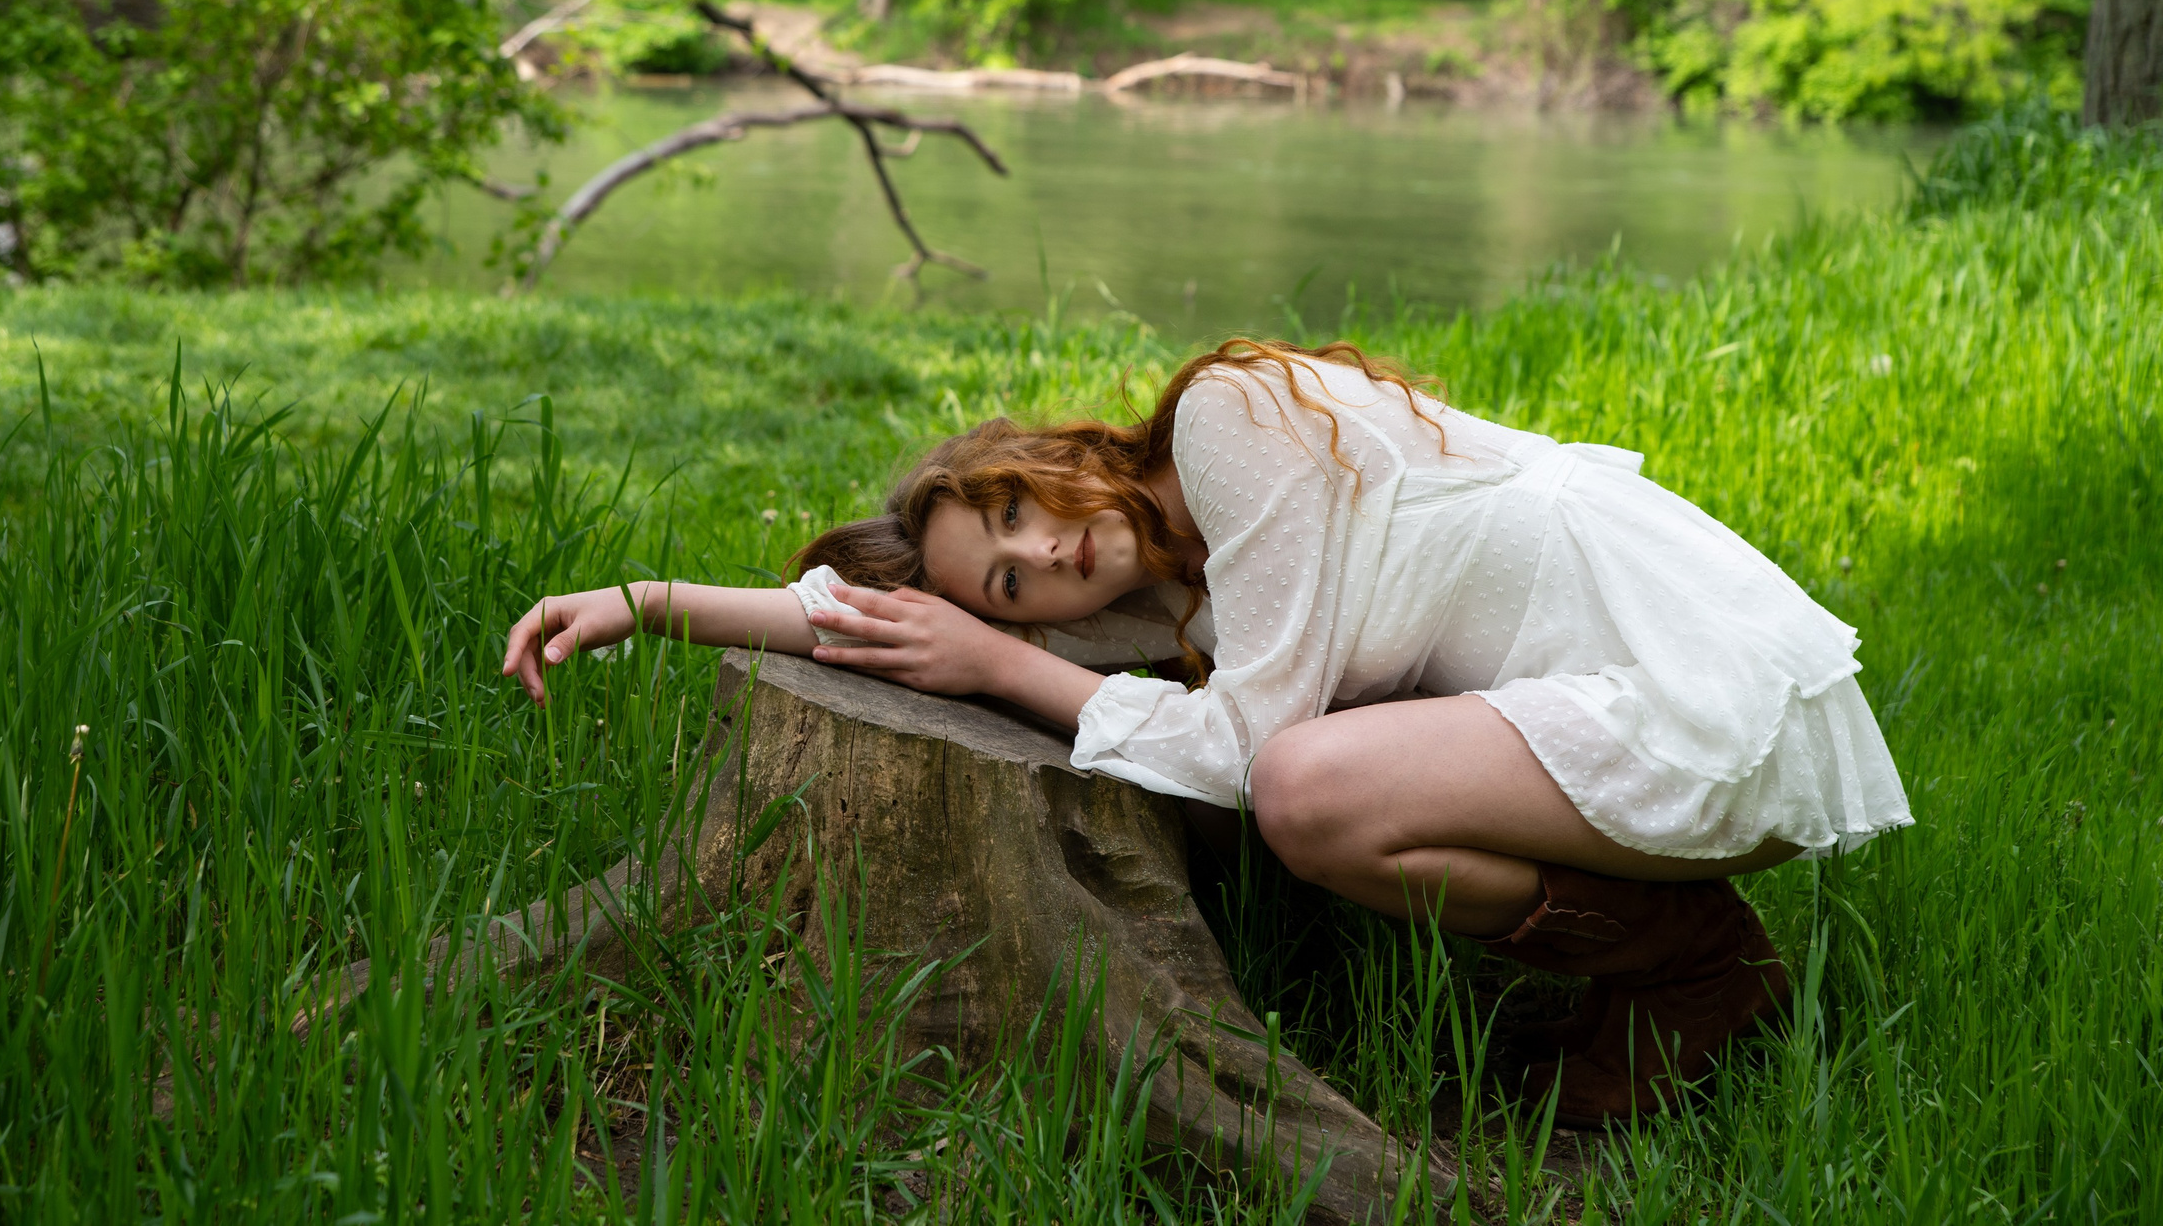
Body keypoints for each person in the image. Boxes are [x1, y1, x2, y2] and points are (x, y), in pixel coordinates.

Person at [501, 338, 1913, 1125]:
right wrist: (647, 600)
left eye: (1016, 508)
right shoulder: (1168, 589)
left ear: (1047, 452)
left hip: (1689, 685)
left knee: (1302, 788)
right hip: (1612, 735)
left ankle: (1686, 957)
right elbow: (852, 620)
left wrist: (1008, 663)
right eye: (1009, 579)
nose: (1045, 556)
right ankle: (1683, 964)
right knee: (1314, 794)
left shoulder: (1231, 427)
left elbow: (1252, 748)